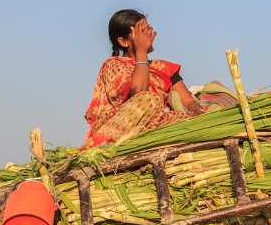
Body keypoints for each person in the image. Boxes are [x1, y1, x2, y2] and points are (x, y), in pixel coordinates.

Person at [81, 9, 206, 149]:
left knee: (186, 117)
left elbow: (188, 100)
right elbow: (139, 92)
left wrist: (198, 112)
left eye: (148, 30)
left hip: (157, 123)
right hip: (123, 125)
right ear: (123, 41)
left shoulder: (163, 68)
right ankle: (102, 143)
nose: (150, 36)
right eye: (142, 33)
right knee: (149, 99)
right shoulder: (113, 65)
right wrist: (141, 52)